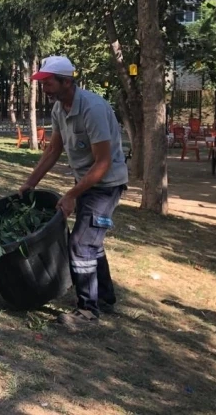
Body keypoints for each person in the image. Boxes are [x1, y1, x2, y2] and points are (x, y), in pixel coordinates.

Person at [18, 56, 128, 329]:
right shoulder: (59, 110)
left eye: (48, 82)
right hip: (87, 184)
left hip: (105, 185)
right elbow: (53, 149)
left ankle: (88, 312)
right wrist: (30, 182)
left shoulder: (92, 108)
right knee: (90, 242)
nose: (44, 88)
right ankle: (103, 296)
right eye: (42, 83)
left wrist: (71, 195)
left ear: (67, 81)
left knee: (81, 244)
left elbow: (102, 163)